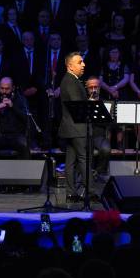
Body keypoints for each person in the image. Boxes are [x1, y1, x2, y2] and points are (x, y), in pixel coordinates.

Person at [0, 77, 30, 188]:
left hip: (16, 135)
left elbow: (27, 119)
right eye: (2, 88)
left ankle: (25, 178)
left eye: (7, 89)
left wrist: (13, 107)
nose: (4, 91)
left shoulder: (20, 100)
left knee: (24, 144)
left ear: (12, 88)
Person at [58, 52, 92, 203]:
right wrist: (90, 104)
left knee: (71, 161)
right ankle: (90, 191)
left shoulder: (72, 80)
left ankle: (71, 193)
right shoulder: (70, 81)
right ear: (70, 66)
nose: (83, 64)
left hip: (72, 127)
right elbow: (77, 104)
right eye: (80, 62)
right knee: (83, 159)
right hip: (76, 126)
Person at [85, 76, 111, 179]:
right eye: (91, 88)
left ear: (100, 88)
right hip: (85, 135)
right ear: (87, 89)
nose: (94, 90)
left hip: (98, 135)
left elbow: (109, 122)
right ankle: (86, 174)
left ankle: (99, 172)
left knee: (106, 149)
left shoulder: (105, 103)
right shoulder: (83, 101)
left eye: (96, 87)